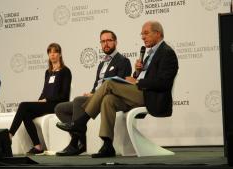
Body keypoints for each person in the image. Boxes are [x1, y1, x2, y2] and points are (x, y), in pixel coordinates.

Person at [57, 20, 179, 158]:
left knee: (109, 84)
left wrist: (138, 81)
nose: (143, 37)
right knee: (108, 100)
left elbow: (164, 83)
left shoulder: (167, 52)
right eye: (142, 34)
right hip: (141, 91)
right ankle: (108, 145)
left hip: (151, 96)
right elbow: (142, 78)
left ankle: (81, 122)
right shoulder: (150, 53)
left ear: (158, 33)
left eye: (146, 33)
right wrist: (137, 72)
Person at [55, 30, 132, 156]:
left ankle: (74, 144)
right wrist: (91, 93)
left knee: (78, 101)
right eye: (103, 41)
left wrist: (95, 95)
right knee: (60, 108)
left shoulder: (123, 61)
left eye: (109, 40)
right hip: (95, 97)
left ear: (115, 42)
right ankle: (82, 140)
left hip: (109, 98)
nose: (106, 44)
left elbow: (121, 86)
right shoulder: (102, 63)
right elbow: (97, 84)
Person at [9, 43, 72, 155]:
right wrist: (39, 100)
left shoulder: (65, 71)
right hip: (47, 103)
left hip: (57, 105)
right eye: (50, 52)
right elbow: (45, 91)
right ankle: (37, 146)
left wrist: (46, 99)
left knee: (23, 105)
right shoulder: (48, 72)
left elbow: (64, 95)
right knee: (26, 113)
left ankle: (10, 135)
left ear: (60, 54)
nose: (52, 55)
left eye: (55, 52)